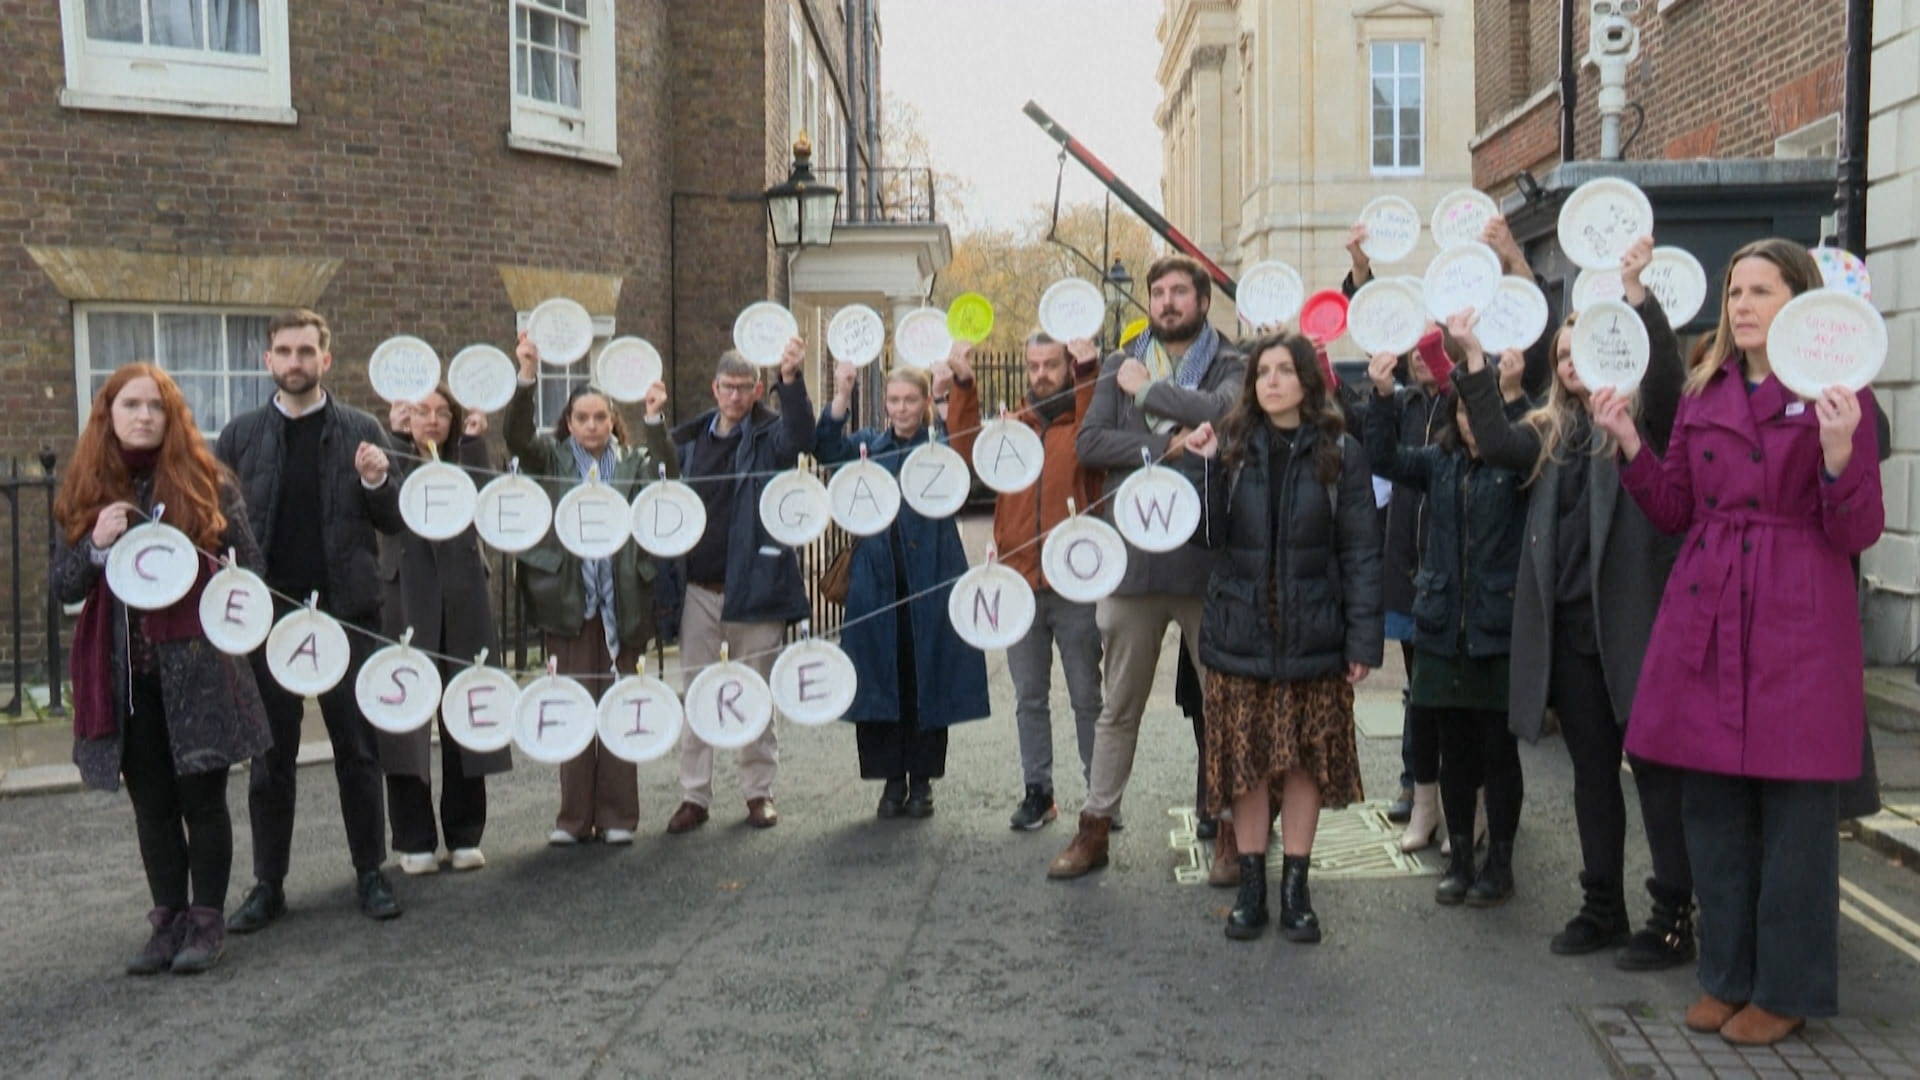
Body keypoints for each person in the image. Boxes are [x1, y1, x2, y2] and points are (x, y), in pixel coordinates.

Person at [1592, 238, 1883, 1046]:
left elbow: (1858, 528)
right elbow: (1674, 508)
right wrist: (1628, 442)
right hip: (1712, 605)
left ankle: (1785, 991)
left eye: (1761, 290)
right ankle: (1725, 976)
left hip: (1798, 613)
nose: (1743, 305)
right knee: (1713, 810)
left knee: (1795, 818)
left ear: (1801, 300)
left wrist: (1837, 455)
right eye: (1735, 291)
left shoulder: (1838, 392)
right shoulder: (1704, 388)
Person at [1458, 235, 1697, 970]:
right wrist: (1472, 358)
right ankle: (1602, 906)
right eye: (1562, 354)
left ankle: (1672, 914)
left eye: (1582, 350)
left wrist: (1637, 297)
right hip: (1570, 636)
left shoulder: (1644, 424)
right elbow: (1491, 437)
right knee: (1593, 776)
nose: (1569, 362)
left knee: (1654, 775)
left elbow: (1665, 381)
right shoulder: (1549, 431)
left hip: (1635, 629)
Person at [53, 364, 272, 974]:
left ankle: (206, 921)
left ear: (172, 416)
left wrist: (216, 569)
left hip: (199, 669)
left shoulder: (207, 482)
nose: (144, 416)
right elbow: (62, 585)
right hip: (125, 678)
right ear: (109, 414)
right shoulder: (88, 487)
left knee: (203, 799)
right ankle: (168, 920)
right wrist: (96, 546)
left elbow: (251, 571)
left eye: (156, 406)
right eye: (131, 405)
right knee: (151, 806)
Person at [1179, 330, 1381, 940]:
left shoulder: (1340, 452)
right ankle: (1251, 887)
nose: (1271, 381)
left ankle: (1296, 888)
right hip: (1240, 630)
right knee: (1245, 762)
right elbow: (1207, 538)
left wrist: (1362, 641)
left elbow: (1361, 551)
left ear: (1306, 381)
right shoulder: (1232, 446)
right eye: (1263, 371)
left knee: (1302, 763)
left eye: (1284, 370)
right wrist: (1203, 468)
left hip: (1311, 631)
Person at [1050, 254, 1246, 880]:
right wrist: (1164, 445)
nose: (1166, 302)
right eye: (1158, 292)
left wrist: (1149, 393)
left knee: (1223, 706)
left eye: (1179, 292)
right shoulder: (1121, 361)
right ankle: (1095, 828)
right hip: (1131, 566)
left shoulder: (1231, 361)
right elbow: (1091, 443)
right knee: (1118, 708)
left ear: (1202, 302)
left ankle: (1232, 831)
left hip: (1206, 563)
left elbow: (1224, 414)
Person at [216, 309, 405, 930]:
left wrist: (377, 482)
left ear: (325, 359)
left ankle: (370, 872)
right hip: (269, 618)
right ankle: (268, 884)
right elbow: (216, 525)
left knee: (359, 749)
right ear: (267, 360)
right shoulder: (240, 436)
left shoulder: (362, 430)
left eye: (306, 351)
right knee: (270, 759)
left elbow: (394, 520)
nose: (295, 362)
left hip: (348, 611)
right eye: (284, 351)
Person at [1366, 322, 1530, 908]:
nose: (1470, 423)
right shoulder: (1439, 462)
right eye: (1461, 413)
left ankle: (1499, 862)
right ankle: (1460, 859)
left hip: (1495, 628)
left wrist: (1498, 383)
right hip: (1441, 625)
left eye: (1477, 414)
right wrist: (1381, 397)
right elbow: (1382, 456)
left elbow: (1515, 427)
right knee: (1453, 751)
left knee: (1497, 753)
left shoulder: (1519, 464)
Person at [507, 333, 674, 846]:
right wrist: (526, 376)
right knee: (574, 710)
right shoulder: (551, 459)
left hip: (623, 603)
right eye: (582, 418)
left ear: (613, 419)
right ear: (569, 422)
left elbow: (669, 476)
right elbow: (516, 437)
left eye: (601, 417)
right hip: (570, 605)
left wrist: (654, 419)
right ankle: (573, 819)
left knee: (621, 709)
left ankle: (619, 817)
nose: (592, 425)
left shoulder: (635, 462)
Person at [943, 334, 1106, 831]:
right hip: (1019, 584)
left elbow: (1095, 440)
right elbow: (965, 450)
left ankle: (1100, 798)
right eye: (1033, 365)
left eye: (1050, 364)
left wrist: (1089, 372)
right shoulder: (1011, 426)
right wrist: (964, 384)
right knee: (1029, 698)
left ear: (1067, 367)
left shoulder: (1084, 425)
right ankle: (1039, 792)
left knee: (1087, 697)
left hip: (1074, 585)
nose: (1040, 374)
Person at [816, 363, 990, 817]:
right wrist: (841, 394)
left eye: (910, 400)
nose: (901, 408)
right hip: (876, 582)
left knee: (924, 677)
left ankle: (923, 782)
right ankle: (891, 781)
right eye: (893, 400)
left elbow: (966, 455)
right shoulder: (868, 447)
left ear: (923, 402)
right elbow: (825, 449)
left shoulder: (939, 446)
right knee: (879, 677)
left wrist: (945, 397)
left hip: (930, 576)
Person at [660, 338, 812, 834]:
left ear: (757, 391)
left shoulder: (770, 436)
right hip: (698, 589)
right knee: (696, 694)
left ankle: (758, 792)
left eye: (745, 388)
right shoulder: (688, 441)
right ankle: (694, 795)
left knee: (756, 693)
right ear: (715, 388)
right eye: (728, 387)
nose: (736, 396)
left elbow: (800, 438)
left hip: (756, 587)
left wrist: (792, 381)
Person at [378, 387, 512, 875]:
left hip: (462, 594)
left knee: (468, 712)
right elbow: (384, 504)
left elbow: (489, 507)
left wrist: (475, 444)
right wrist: (396, 441)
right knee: (404, 718)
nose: (432, 420)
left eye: (441, 412)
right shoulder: (390, 458)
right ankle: (413, 839)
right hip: (405, 594)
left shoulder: (463, 459)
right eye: (422, 412)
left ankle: (464, 833)